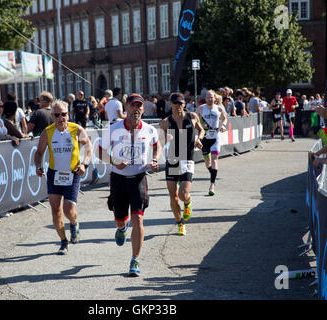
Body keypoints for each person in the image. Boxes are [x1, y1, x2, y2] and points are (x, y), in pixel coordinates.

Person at [98, 93, 162, 277]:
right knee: (120, 219)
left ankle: (135, 259)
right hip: (118, 179)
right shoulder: (114, 129)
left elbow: (156, 147)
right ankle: (121, 228)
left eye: (139, 106)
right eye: (133, 106)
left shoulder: (149, 130)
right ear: (126, 108)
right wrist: (114, 162)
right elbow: (98, 151)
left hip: (138, 178)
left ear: (143, 109)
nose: (137, 109)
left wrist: (155, 160)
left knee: (138, 219)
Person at [34, 100, 93, 255]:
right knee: (55, 210)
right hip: (55, 173)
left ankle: (74, 222)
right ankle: (63, 241)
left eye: (64, 114)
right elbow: (39, 152)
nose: (61, 118)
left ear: (69, 114)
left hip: (72, 173)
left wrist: (84, 165)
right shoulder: (47, 132)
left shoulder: (76, 129)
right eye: (57, 115)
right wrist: (38, 166)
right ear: (53, 116)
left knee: (68, 209)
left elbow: (88, 148)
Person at [159, 92, 204, 236]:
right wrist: (165, 137)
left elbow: (201, 129)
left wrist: (199, 139)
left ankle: (187, 203)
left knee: (183, 194)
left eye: (181, 103)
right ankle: (180, 224)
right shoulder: (165, 122)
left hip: (187, 159)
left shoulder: (192, 117)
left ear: (184, 104)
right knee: (173, 196)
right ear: (170, 104)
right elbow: (158, 141)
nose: (178, 106)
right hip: (172, 160)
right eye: (176, 103)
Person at [197, 90, 228, 196]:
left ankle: (212, 185)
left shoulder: (219, 108)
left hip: (216, 137)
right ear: (205, 98)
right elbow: (195, 120)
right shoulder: (201, 108)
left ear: (215, 98)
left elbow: (224, 119)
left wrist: (223, 125)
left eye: (212, 97)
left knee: (214, 160)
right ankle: (212, 173)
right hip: (205, 138)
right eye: (208, 97)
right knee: (207, 162)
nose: (210, 99)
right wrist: (201, 125)